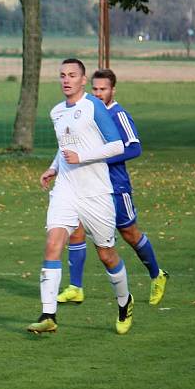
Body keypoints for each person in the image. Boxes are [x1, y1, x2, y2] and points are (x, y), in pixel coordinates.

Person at [28, 58, 134, 335]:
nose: (66, 79)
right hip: (66, 189)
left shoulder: (94, 106)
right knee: (53, 242)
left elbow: (116, 145)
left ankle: (125, 302)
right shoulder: (56, 112)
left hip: (96, 193)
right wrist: (53, 167)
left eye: (72, 75)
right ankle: (48, 314)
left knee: (106, 254)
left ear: (82, 80)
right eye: (62, 75)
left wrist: (82, 157)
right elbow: (65, 146)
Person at [56, 69, 169, 307]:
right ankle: (76, 287)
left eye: (103, 89)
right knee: (75, 228)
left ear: (112, 90)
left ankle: (157, 274)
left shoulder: (118, 115)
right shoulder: (85, 113)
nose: (98, 94)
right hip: (87, 186)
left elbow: (134, 148)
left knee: (129, 233)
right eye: (95, 89)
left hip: (116, 187)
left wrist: (95, 158)